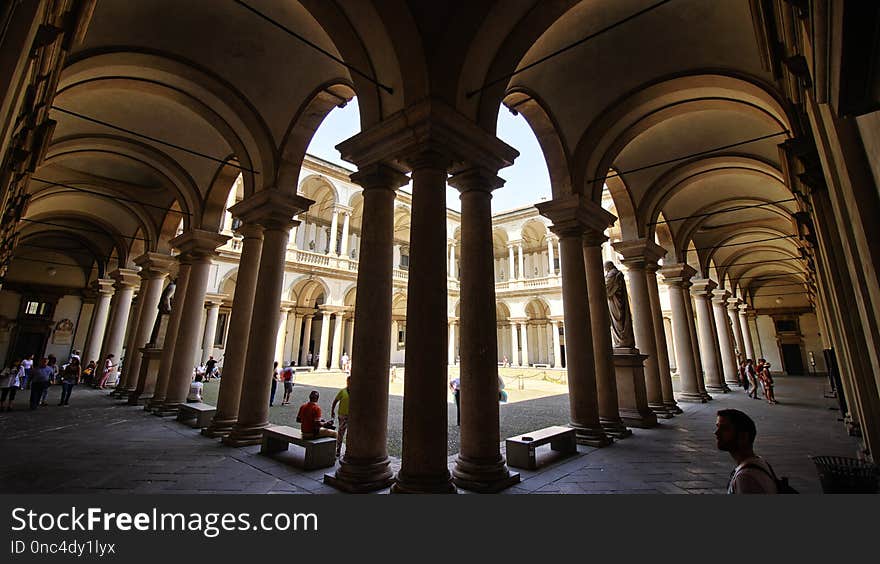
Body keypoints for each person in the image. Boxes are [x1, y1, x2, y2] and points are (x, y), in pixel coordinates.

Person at [715, 408, 778, 494]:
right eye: (717, 427)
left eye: (724, 428)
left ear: (743, 436)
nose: (716, 432)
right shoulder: (759, 461)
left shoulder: (746, 478)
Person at [330, 377, 350, 457]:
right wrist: (332, 410)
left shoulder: (356, 392)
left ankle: (348, 450)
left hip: (352, 416)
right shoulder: (343, 391)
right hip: (342, 415)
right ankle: (338, 449)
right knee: (341, 433)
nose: (349, 383)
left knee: (350, 434)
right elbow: (335, 401)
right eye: (348, 381)